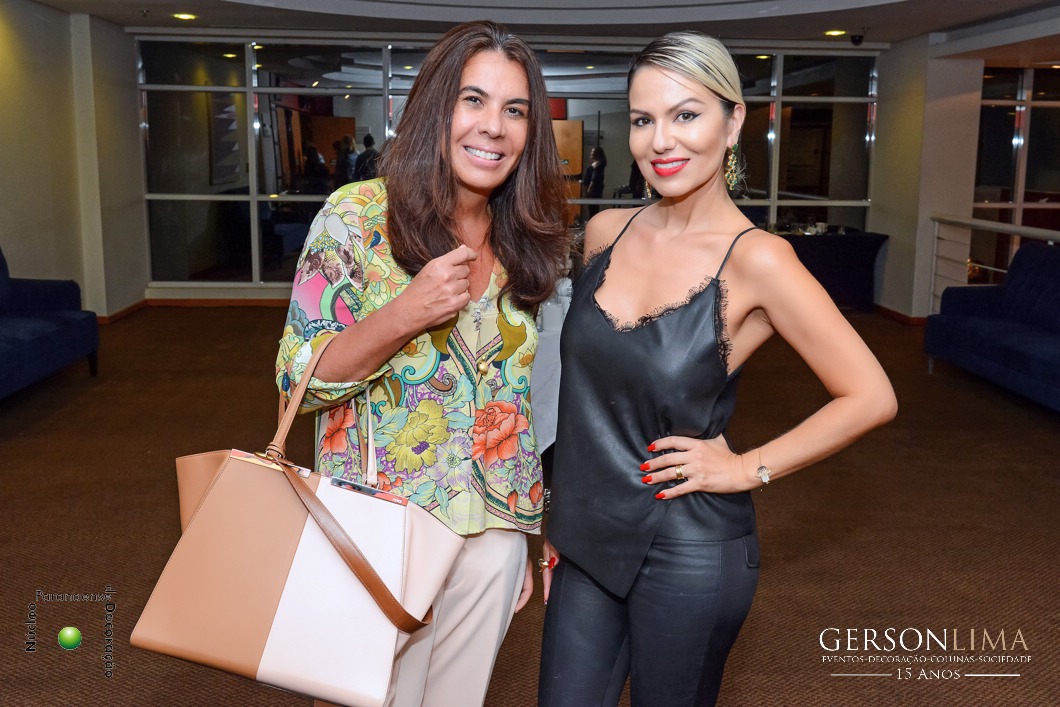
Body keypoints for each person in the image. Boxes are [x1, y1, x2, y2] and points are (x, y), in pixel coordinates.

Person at [538, 31, 897, 707]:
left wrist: (746, 467)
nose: (661, 141)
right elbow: (583, 400)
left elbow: (871, 394)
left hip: (687, 547)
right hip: (587, 536)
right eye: (643, 119)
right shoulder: (605, 232)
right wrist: (560, 523)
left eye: (686, 114)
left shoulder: (759, 260)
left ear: (733, 123)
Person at [275, 20, 567, 707]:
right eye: (474, 100)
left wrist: (526, 533)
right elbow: (298, 383)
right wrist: (406, 312)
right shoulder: (355, 217)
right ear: (437, 107)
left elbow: (520, 403)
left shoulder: (526, 239)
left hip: (492, 532)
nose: (493, 126)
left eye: (515, 109)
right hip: (379, 530)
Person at [581, 145, 607, 217]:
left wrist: (590, 187)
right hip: (591, 187)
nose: (591, 154)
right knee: (591, 208)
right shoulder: (596, 163)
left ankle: (593, 219)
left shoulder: (599, 163)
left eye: (593, 153)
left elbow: (594, 177)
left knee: (593, 208)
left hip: (594, 188)